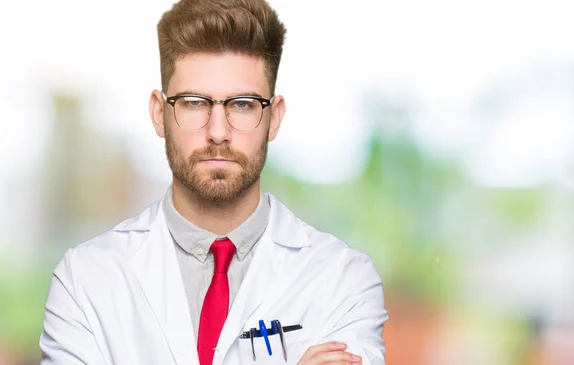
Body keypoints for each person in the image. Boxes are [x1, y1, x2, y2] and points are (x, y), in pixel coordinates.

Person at [39, 0, 388, 364]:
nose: (218, 132)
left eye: (242, 104)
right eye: (193, 102)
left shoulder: (342, 281)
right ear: (159, 114)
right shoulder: (84, 281)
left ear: (275, 118)